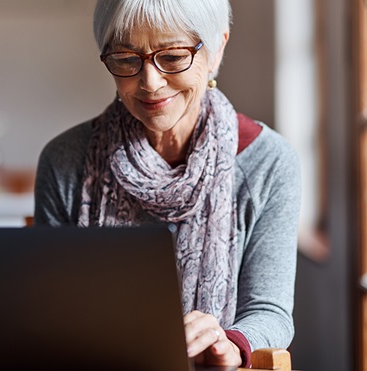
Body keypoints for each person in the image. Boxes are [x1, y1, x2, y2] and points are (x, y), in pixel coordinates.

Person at [34, 0, 301, 367]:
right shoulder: (64, 160)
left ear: (216, 49)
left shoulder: (268, 162)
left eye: (173, 57)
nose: (150, 83)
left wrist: (230, 342)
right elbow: (51, 309)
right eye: (127, 59)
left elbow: (269, 310)